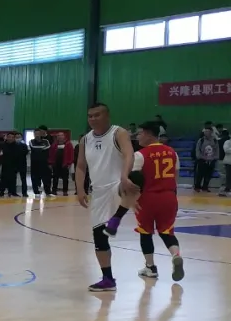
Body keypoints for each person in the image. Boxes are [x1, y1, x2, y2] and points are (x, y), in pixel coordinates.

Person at [102, 121, 184, 282]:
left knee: (145, 233)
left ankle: (150, 267)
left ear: (148, 134)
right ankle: (176, 255)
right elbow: (176, 177)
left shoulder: (141, 155)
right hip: (169, 197)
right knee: (167, 232)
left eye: (140, 133)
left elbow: (132, 182)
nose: (137, 136)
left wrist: (131, 200)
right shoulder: (172, 152)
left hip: (147, 198)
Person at [74, 102, 138, 292]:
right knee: (99, 238)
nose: (93, 119)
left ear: (107, 116)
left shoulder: (118, 133)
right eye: (90, 116)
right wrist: (80, 189)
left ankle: (117, 218)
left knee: (138, 178)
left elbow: (129, 154)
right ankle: (108, 279)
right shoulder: (85, 139)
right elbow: (80, 166)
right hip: (99, 192)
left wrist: (124, 176)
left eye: (97, 115)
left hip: (118, 185)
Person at [29, 127, 52, 196]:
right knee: (35, 178)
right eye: (35, 133)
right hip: (35, 163)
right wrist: (42, 148)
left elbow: (48, 147)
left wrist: (39, 149)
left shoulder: (46, 141)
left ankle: (48, 192)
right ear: (34, 134)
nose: (37, 135)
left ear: (41, 134)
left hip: (44, 163)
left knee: (46, 178)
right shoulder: (31, 141)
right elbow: (33, 147)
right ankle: (36, 192)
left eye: (38, 133)